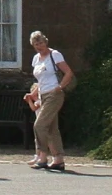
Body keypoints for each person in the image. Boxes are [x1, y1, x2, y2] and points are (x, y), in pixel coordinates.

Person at [25, 30, 75, 171]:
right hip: (43, 94)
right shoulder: (36, 59)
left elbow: (68, 73)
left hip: (54, 95)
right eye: (36, 44)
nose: (39, 46)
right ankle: (58, 160)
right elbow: (40, 80)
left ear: (45, 42)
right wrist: (32, 93)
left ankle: (42, 157)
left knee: (39, 125)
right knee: (52, 128)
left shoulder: (55, 55)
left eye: (40, 43)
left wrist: (59, 88)